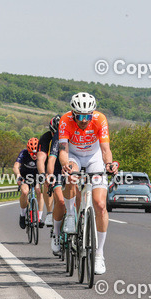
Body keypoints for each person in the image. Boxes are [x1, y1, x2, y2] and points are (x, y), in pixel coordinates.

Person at [57, 92, 115, 274]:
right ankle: (71, 215)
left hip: (94, 157)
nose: (83, 120)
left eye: (87, 116)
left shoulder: (100, 119)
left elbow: (105, 149)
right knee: (71, 176)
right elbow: (63, 150)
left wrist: (108, 164)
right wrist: (66, 165)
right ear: (73, 113)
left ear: (92, 114)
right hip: (74, 155)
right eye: (80, 116)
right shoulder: (65, 120)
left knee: (100, 205)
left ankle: (99, 254)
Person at [41, 114, 80, 255]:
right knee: (61, 201)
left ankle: (80, 226)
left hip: (75, 168)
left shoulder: (81, 133)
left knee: (79, 196)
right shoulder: (59, 136)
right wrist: (49, 174)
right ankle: (56, 235)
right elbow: (51, 158)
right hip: (58, 170)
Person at [13, 137, 42, 229]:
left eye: (36, 153)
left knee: (39, 191)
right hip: (25, 176)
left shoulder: (42, 154)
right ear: (28, 151)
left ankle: (39, 218)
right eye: (32, 153)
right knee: (25, 192)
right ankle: (22, 215)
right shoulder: (24, 153)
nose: (34, 155)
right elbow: (16, 166)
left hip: (37, 176)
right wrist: (18, 175)